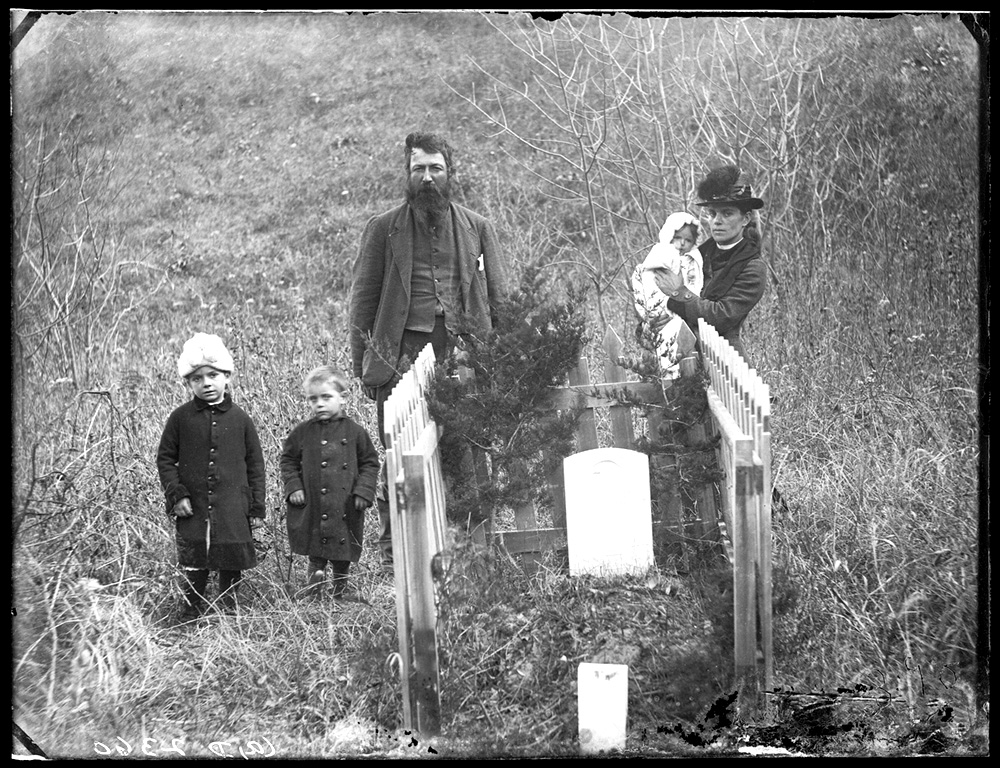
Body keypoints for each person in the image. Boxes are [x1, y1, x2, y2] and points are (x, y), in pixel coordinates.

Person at [348, 131, 510, 567]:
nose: (427, 177)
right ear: (408, 174)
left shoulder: (478, 228)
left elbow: (502, 299)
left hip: (462, 351)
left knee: (469, 451)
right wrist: (365, 366)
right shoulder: (383, 230)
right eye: (418, 168)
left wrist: (501, 361)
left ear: (449, 173)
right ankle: (395, 552)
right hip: (399, 354)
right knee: (399, 452)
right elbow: (362, 303)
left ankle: (475, 545)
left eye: (435, 168)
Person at [156, 332, 266, 620]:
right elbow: (165, 458)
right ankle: (189, 612)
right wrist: (176, 494)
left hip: (233, 506)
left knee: (231, 561)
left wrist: (255, 506)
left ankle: (227, 615)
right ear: (188, 383)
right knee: (195, 561)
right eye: (197, 378)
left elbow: (255, 464)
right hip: (193, 506)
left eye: (213, 375)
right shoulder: (180, 418)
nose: (206, 383)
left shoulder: (241, 419)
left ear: (227, 376)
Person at [279, 366, 380, 600]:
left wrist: (364, 491)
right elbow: (288, 460)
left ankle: (340, 590)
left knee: (342, 549)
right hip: (314, 501)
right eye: (313, 399)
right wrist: (293, 486)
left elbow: (370, 463)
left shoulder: (355, 432)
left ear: (342, 398)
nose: (320, 404)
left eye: (326, 397)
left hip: (345, 503)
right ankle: (314, 591)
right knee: (316, 547)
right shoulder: (303, 432)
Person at [649, 165, 766, 365]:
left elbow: (721, 317)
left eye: (727, 213)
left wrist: (678, 293)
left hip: (727, 366)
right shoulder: (693, 256)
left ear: (745, 219)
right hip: (680, 358)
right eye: (712, 214)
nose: (717, 221)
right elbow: (658, 298)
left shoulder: (752, 267)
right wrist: (652, 321)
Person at [631, 211, 704, 378]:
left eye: (688, 240)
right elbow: (647, 278)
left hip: (683, 317)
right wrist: (651, 311)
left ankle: (673, 371)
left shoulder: (694, 259)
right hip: (659, 311)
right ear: (669, 235)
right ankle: (665, 372)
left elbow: (694, 286)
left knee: (679, 346)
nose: (682, 243)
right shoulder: (662, 252)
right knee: (661, 344)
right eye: (678, 238)